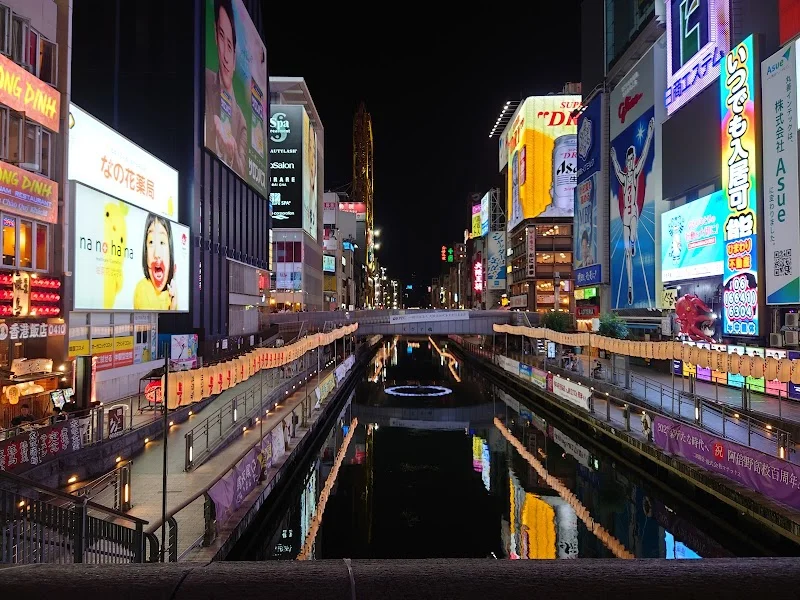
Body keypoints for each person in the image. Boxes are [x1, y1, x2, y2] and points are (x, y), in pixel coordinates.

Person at [611, 116, 654, 305]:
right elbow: (616, 169)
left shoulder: (635, 172)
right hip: (625, 216)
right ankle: (629, 286)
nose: (629, 163)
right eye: (627, 160)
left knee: (632, 237)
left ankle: (634, 240)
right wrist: (613, 157)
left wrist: (650, 133)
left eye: (630, 159)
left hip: (633, 211)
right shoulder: (623, 176)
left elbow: (644, 154)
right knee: (628, 253)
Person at [205, 0, 247, 174]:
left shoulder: (241, 121)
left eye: (230, 46)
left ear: (235, 58)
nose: (225, 55)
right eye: (222, 37)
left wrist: (233, 150)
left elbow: (243, 170)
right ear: (215, 36)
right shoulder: (204, 81)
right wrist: (211, 124)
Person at [134, 213, 178, 310]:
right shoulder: (142, 289)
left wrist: (173, 304)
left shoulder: (172, 293)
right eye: (151, 242)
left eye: (162, 242)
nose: (157, 253)